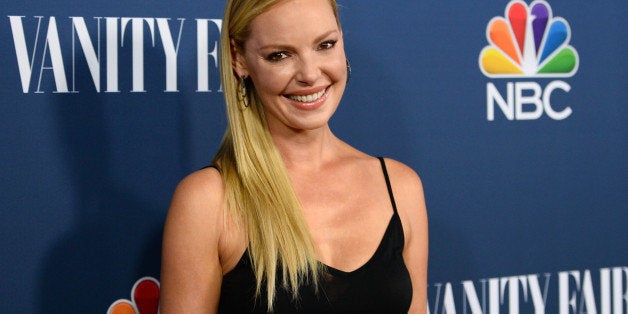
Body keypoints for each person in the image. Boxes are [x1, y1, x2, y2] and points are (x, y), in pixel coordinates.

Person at [159, 0, 428, 312]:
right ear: (239, 59)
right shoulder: (208, 202)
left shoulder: (400, 186)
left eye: (325, 45)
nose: (310, 75)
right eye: (280, 55)